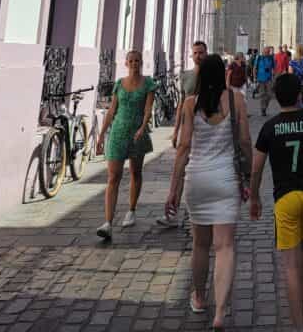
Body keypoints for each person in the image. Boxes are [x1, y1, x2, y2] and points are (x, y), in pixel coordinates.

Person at [166, 54, 252, 323]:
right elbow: (246, 142)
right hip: (225, 178)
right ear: (224, 73)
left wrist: (173, 189)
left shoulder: (191, 104)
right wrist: (249, 177)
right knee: (225, 246)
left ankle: (200, 297)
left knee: (200, 245)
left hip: (197, 179)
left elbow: (183, 148)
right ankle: (220, 312)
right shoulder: (236, 99)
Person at [251, 74, 303, 332]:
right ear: (300, 95)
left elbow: (256, 169)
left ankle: (299, 325)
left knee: (291, 264)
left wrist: (253, 197)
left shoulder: (270, 127)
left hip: (286, 198)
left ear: (277, 97)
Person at [96, 49, 156, 240]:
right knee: (113, 177)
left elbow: (148, 109)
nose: (134, 64)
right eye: (130, 61)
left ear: (141, 63)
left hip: (137, 134)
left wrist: (143, 127)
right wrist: (101, 134)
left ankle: (131, 209)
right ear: (126, 63)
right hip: (118, 133)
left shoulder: (148, 84)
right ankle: (108, 223)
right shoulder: (119, 84)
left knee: (135, 172)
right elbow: (112, 109)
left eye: (137, 60)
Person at [157, 40, 208, 228]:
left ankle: (203, 213)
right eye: (195, 53)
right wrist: (176, 130)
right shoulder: (185, 76)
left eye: (201, 53)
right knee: (178, 170)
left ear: (206, 53)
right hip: (187, 129)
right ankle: (172, 214)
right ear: (191, 55)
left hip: (205, 130)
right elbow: (180, 105)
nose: (198, 56)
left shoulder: (211, 76)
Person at [255, 46, 275, 116]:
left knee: (270, 94)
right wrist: (254, 78)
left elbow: (274, 68)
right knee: (262, 94)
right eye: (266, 52)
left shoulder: (271, 58)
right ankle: (263, 109)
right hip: (260, 78)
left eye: (268, 52)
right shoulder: (259, 58)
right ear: (263, 52)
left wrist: (273, 76)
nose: (267, 53)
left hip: (269, 78)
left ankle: (265, 107)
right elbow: (255, 68)